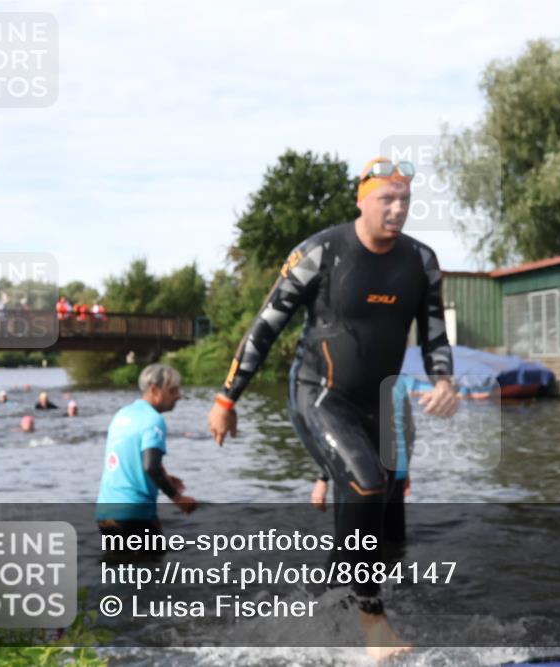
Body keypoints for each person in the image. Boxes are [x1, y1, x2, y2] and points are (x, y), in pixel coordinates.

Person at [207, 157, 459, 660]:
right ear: (361, 200)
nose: (397, 209)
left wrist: (445, 380)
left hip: (379, 404)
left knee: (378, 499)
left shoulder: (422, 262)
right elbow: (266, 325)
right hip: (318, 395)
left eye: (405, 200)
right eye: (387, 198)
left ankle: (327, 606)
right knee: (366, 481)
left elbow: (433, 334)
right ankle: (373, 624)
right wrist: (226, 397)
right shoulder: (320, 251)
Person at [97, 364, 196, 551]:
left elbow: (134, 459)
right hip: (134, 513)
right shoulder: (153, 420)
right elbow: (151, 466)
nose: (178, 395)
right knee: (153, 573)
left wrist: (166, 478)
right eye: (173, 390)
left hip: (105, 513)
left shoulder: (122, 414)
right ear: (154, 390)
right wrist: (178, 498)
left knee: (119, 571)